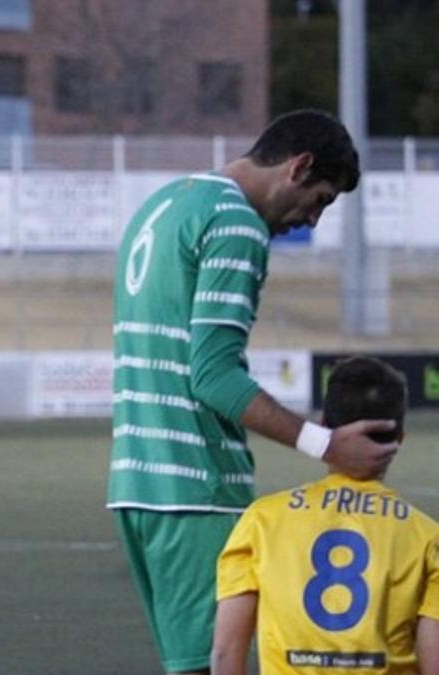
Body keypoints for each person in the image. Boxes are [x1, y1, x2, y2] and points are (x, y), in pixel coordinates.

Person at [107, 109, 400, 674]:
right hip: (196, 484)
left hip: (137, 481)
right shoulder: (235, 221)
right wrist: (326, 444)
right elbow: (213, 375)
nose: (310, 220)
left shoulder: (168, 203)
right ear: (299, 167)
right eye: (319, 200)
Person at [212, 356, 439, 674]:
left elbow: (225, 653)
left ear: (323, 427)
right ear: (399, 438)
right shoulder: (426, 537)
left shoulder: (261, 521)